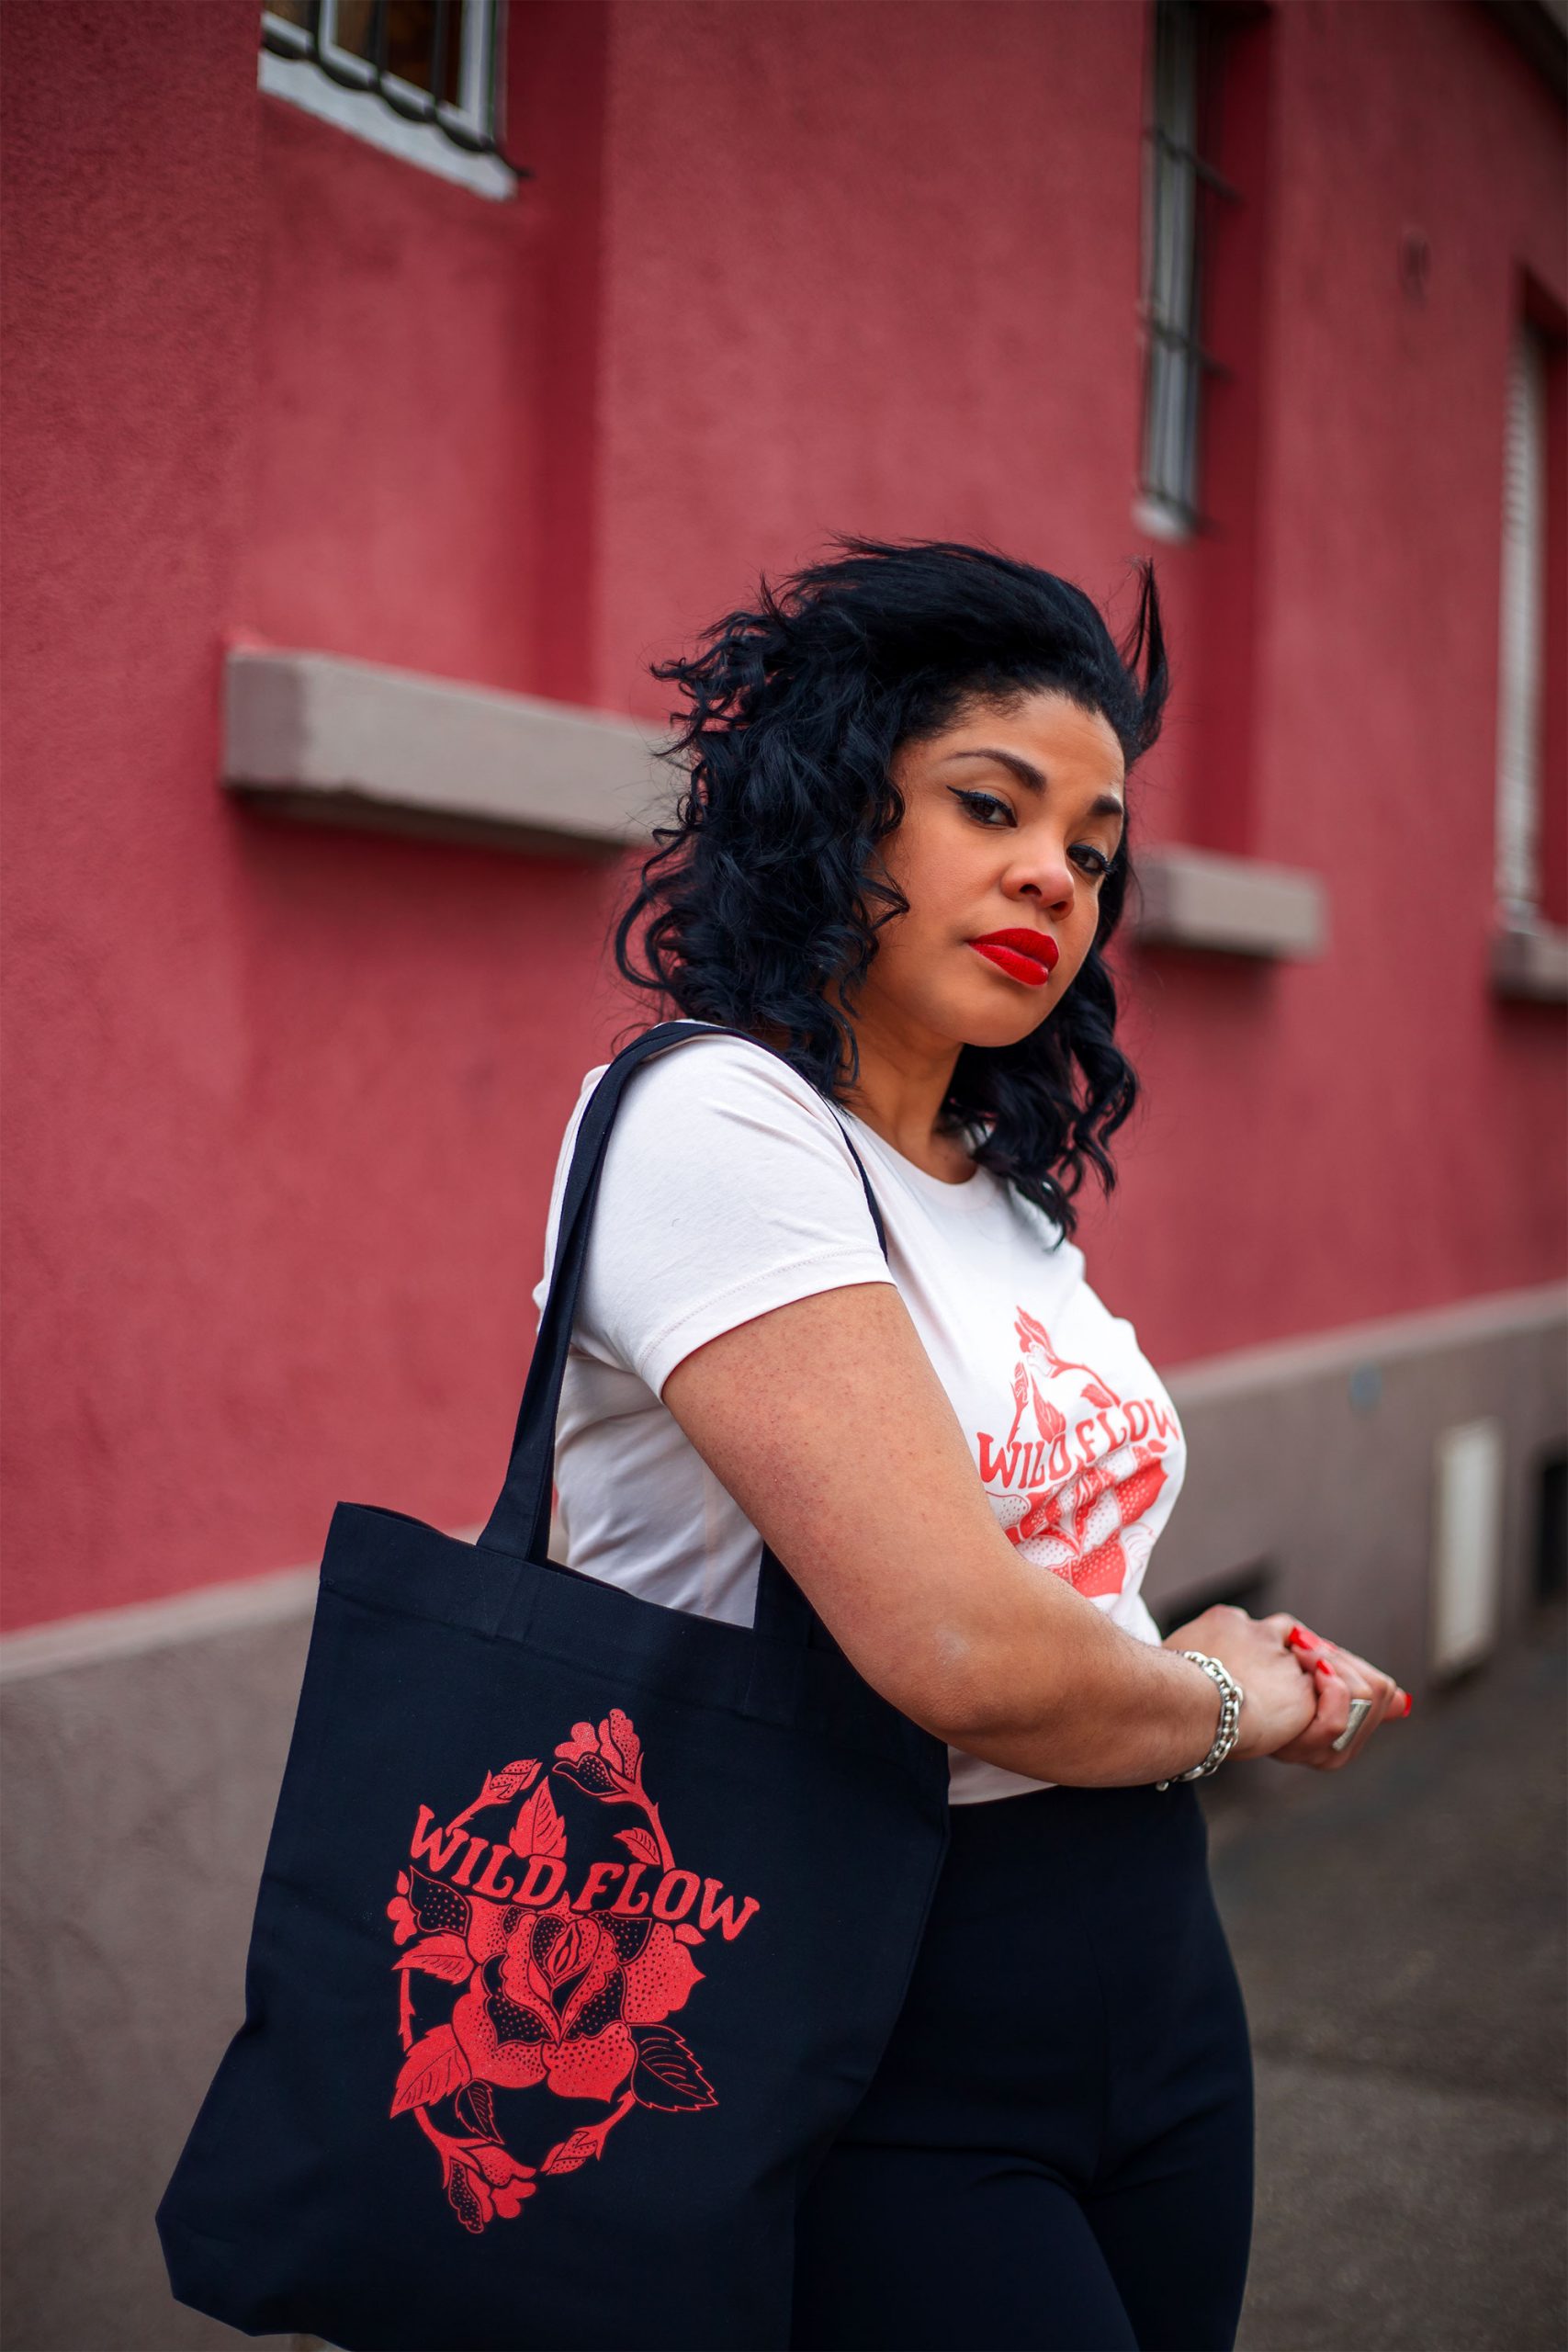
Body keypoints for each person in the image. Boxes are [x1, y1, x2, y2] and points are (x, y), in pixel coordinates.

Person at [530, 537, 1409, 2352]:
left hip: (1145, 1977)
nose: (1050, 876)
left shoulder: (995, 1188)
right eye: (989, 806)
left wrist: (1165, 1668)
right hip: (856, 1997)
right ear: (837, 804)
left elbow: (1055, 1593)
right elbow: (957, 1650)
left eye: (1091, 846)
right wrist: (1232, 1699)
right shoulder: (716, 1125)